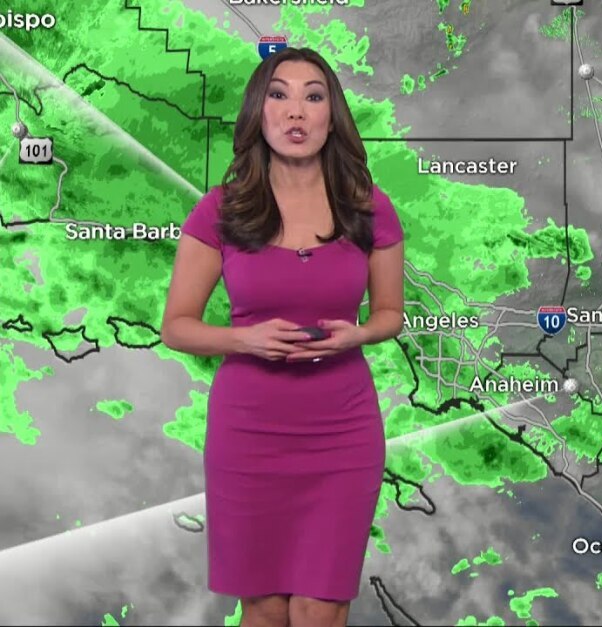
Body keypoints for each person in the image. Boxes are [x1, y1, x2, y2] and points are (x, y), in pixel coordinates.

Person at [160, 47, 404, 627]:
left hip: (341, 432)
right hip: (249, 434)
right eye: (279, 94)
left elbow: (390, 313)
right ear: (259, 112)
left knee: (321, 608)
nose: (296, 111)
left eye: (313, 97)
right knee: (265, 609)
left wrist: (357, 335)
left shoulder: (367, 207)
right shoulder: (220, 211)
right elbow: (176, 326)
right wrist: (245, 340)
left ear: (331, 117)